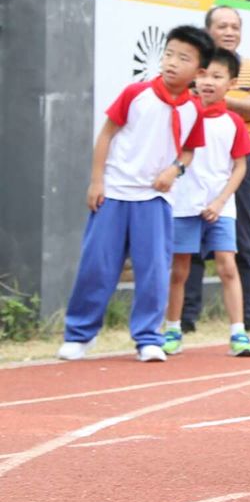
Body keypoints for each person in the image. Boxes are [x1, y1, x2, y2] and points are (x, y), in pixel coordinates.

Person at [58, 25, 214, 362]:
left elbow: (188, 151)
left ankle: (147, 337)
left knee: (154, 271)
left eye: (183, 58)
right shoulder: (136, 93)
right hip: (114, 192)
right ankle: (80, 334)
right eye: (169, 53)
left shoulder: (193, 109)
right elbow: (106, 135)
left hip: (155, 199)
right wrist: (96, 181)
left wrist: (174, 170)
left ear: (199, 72)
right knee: (97, 266)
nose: (172, 62)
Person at [182, 5, 250, 332]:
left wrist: (221, 97)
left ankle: (244, 316)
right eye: (222, 26)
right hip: (191, 161)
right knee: (187, 243)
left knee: (242, 238)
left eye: (235, 26)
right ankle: (185, 317)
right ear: (208, 31)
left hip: (237, 160)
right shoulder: (191, 65)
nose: (230, 32)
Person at [164, 51, 250, 358]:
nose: (208, 82)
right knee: (180, 270)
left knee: (227, 266)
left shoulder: (233, 122)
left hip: (222, 207)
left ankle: (238, 333)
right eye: (203, 75)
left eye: (217, 77)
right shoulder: (182, 114)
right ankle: (173, 328)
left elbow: (240, 167)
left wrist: (219, 201)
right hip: (183, 205)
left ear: (231, 83)